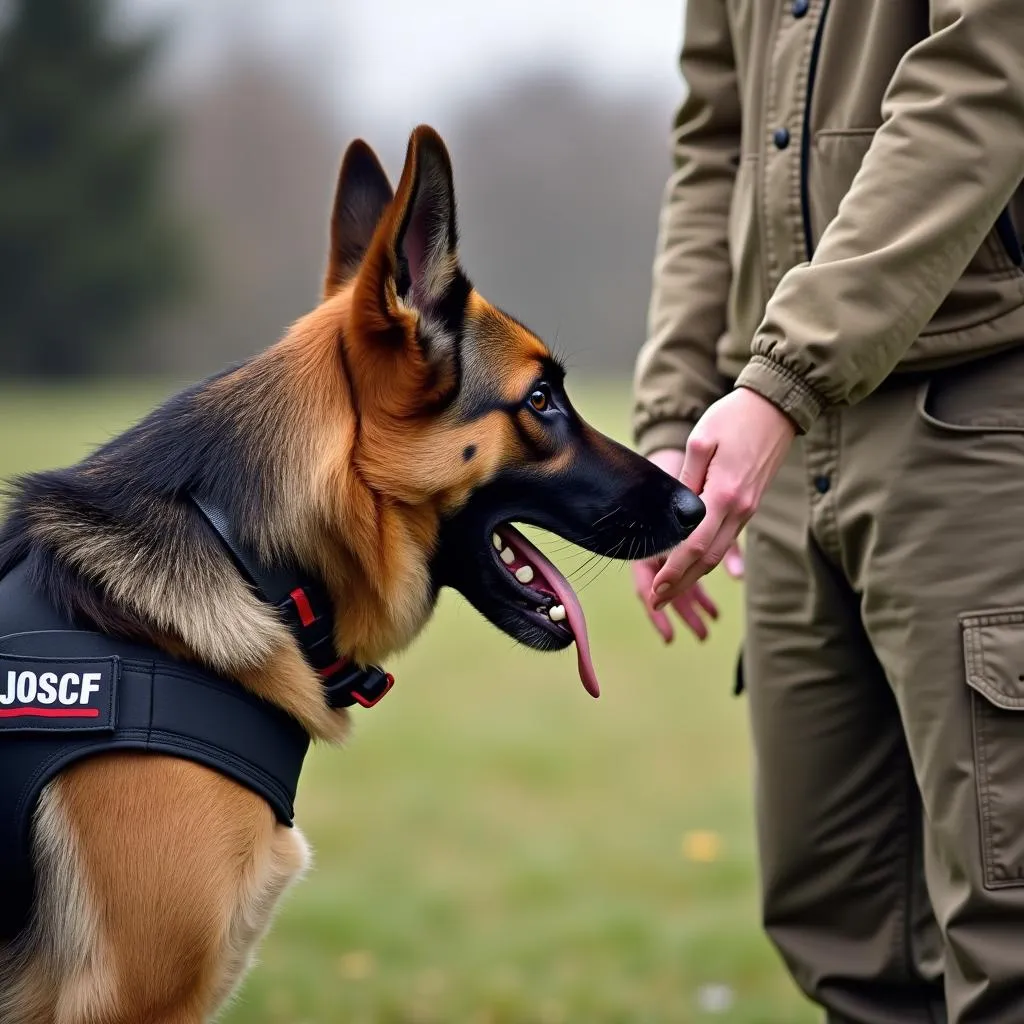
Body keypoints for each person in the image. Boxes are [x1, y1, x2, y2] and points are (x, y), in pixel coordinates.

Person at [630, 2, 1024, 1022]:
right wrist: (674, 413)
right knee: (843, 939)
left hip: (980, 415)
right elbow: (713, 136)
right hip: (793, 434)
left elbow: (983, 77)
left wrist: (779, 380)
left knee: (1006, 938)